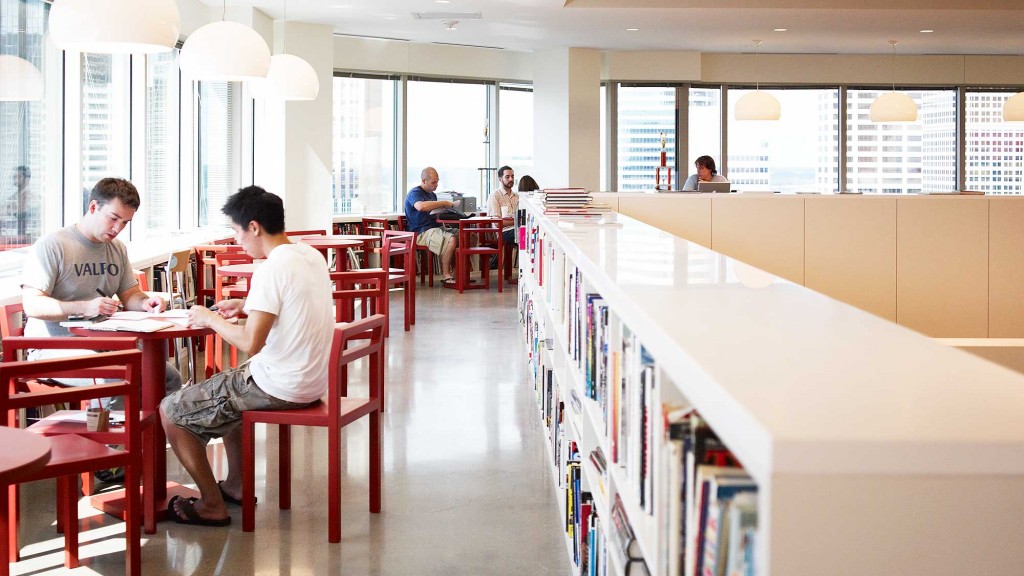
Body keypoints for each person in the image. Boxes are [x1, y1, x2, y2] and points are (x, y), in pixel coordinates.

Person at [161, 185, 334, 527]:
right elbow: (293, 307)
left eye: (238, 232)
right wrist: (245, 306)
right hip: (311, 381)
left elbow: (250, 343)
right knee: (227, 391)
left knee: (171, 411)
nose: (237, 241)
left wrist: (208, 317)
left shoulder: (271, 269)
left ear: (254, 227)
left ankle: (211, 504)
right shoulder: (309, 255)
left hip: (279, 384)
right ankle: (237, 485)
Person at [20, 177, 182, 394]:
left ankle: (149, 429)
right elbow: (32, 305)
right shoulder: (53, 246)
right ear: (93, 206)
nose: (118, 228)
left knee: (168, 378)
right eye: (113, 218)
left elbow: (130, 294)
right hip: (54, 347)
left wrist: (145, 302)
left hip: (102, 342)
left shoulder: (117, 248)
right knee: (115, 379)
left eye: (125, 222)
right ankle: (121, 427)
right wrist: (85, 307)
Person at [404, 166, 459, 286]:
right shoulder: (415, 193)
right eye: (434, 182)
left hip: (435, 228)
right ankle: (446, 275)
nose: (437, 185)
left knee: (468, 235)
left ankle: (458, 273)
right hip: (420, 232)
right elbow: (421, 207)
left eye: (438, 181)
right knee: (452, 239)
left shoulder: (432, 195)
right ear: (424, 181)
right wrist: (444, 202)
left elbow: (434, 214)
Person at [488, 166, 519, 269]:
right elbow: (497, 223)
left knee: (529, 233)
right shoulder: (495, 195)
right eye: (507, 177)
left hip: (515, 229)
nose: (511, 179)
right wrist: (517, 220)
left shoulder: (516, 196)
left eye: (512, 176)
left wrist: (516, 221)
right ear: (500, 179)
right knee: (526, 234)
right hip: (503, 232)